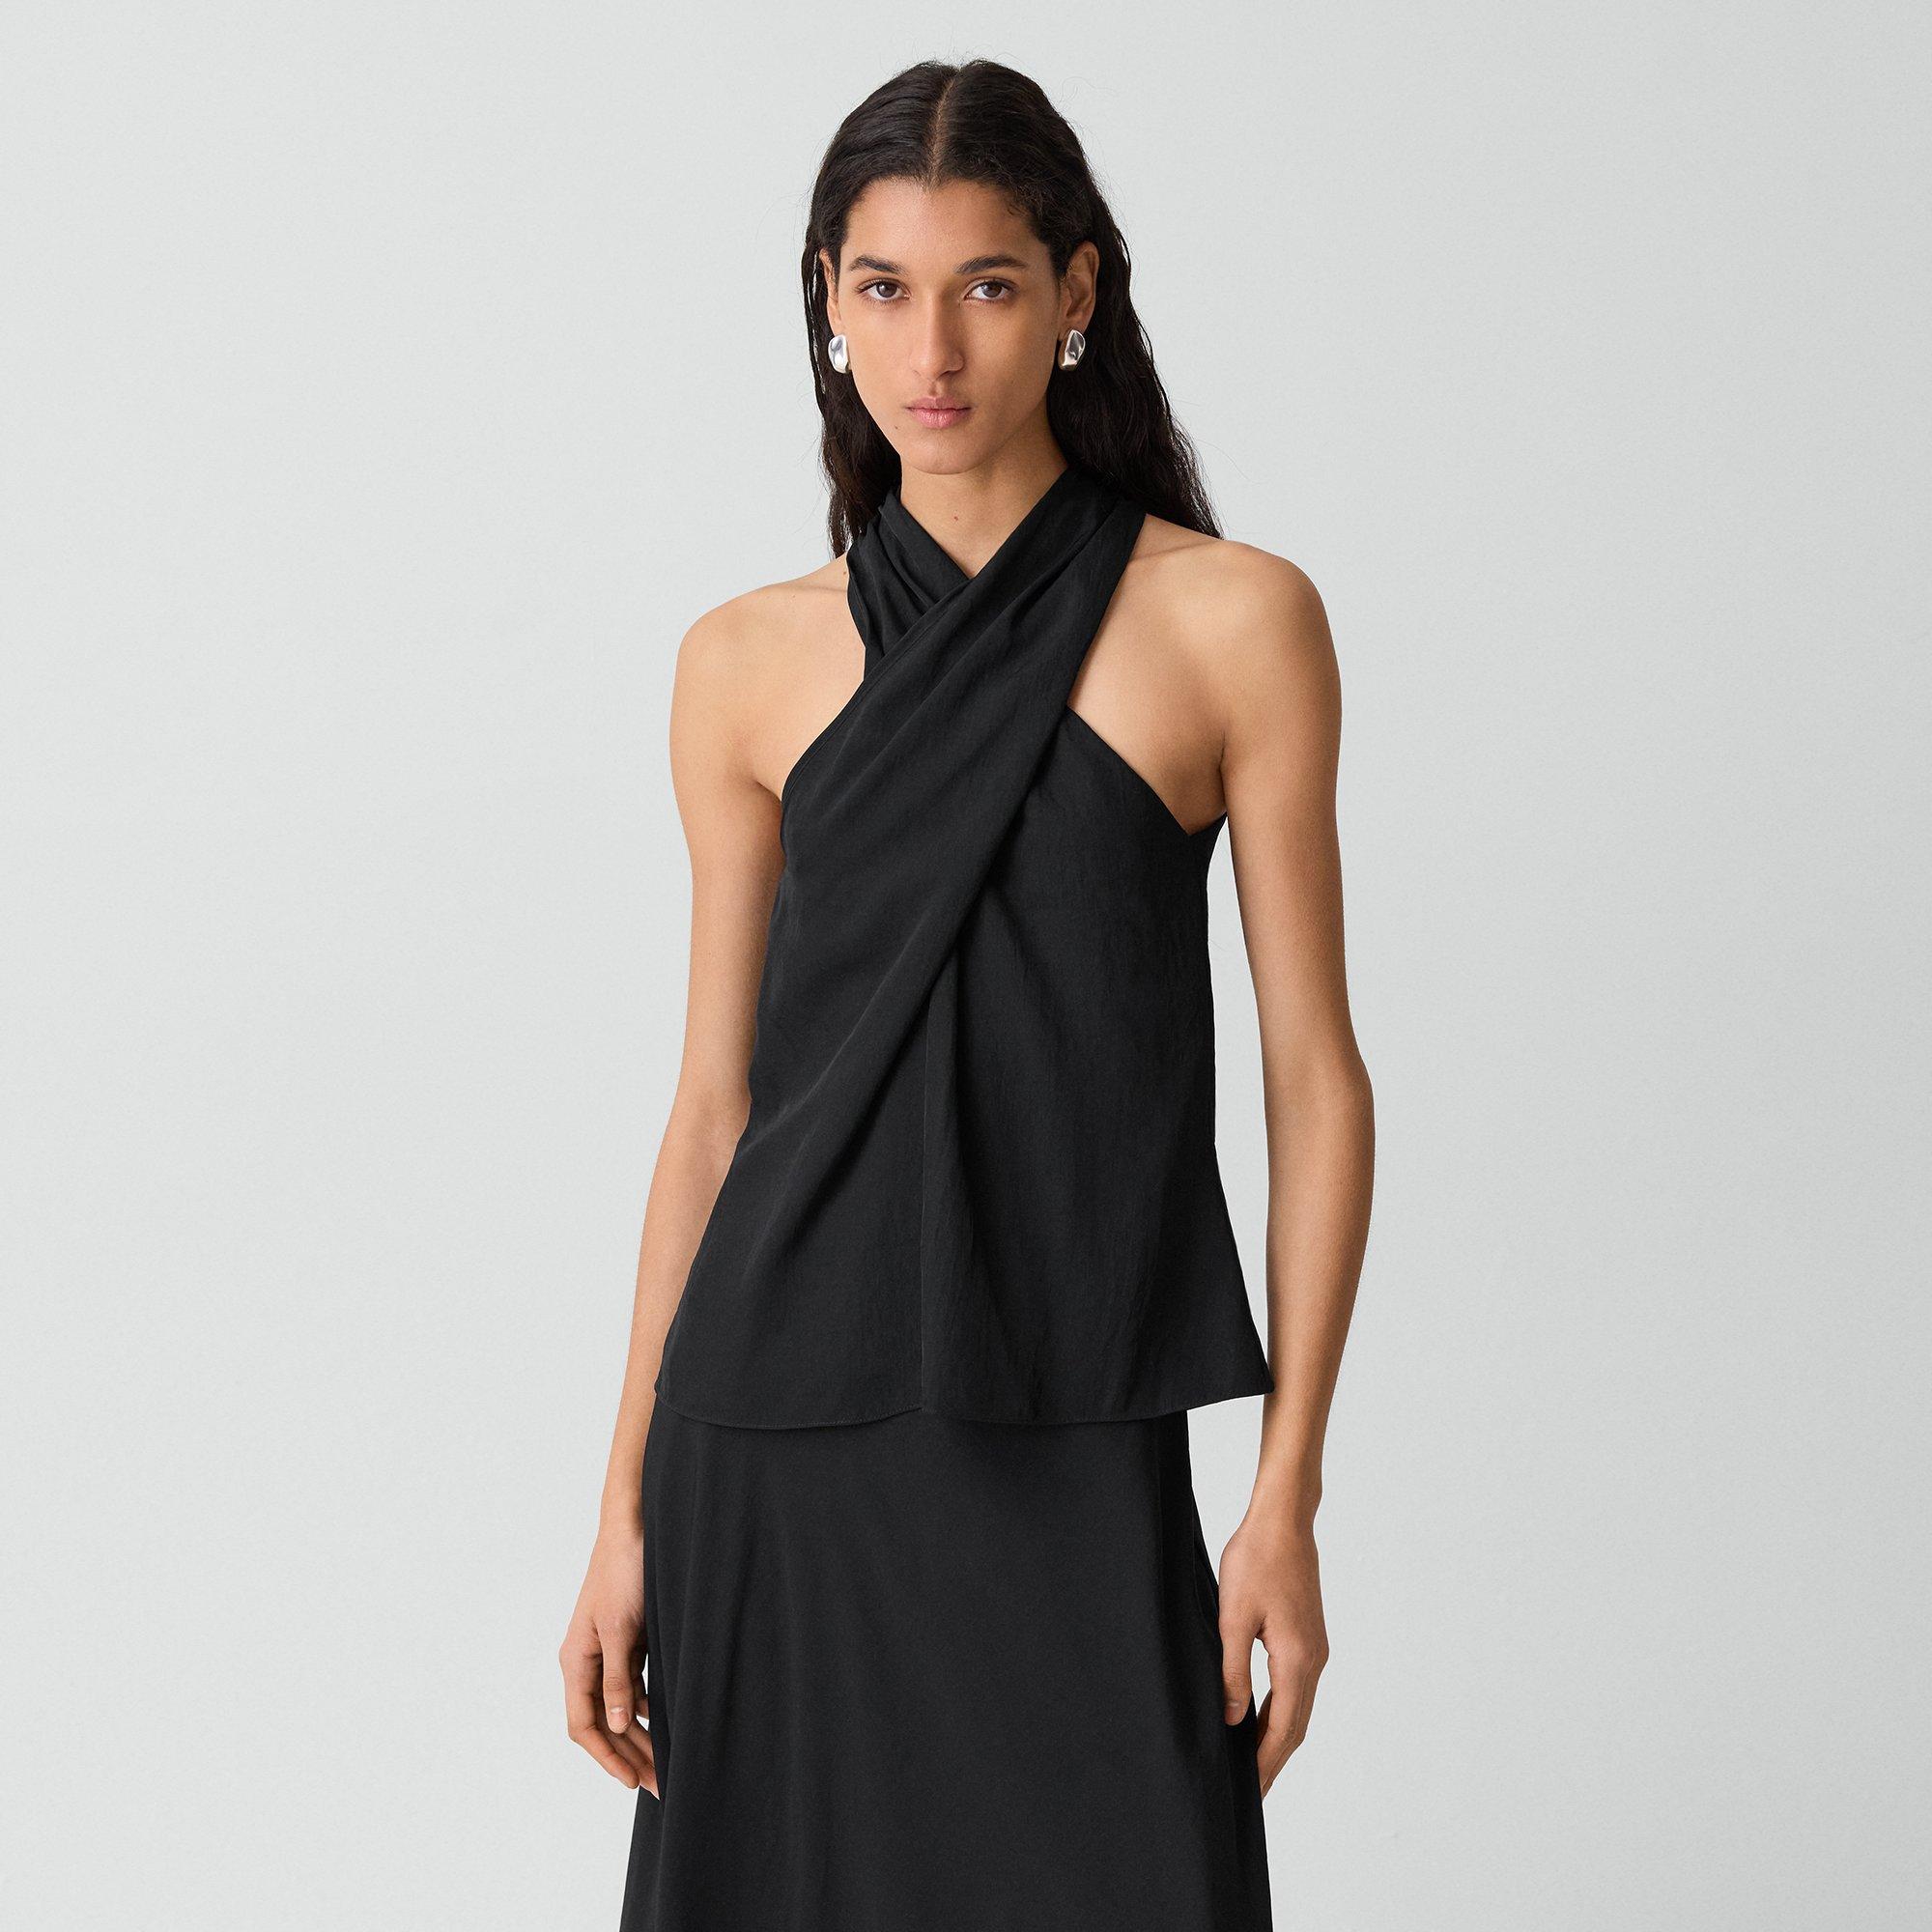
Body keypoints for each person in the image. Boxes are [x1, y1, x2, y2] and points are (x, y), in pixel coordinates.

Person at [561, 56, 1376, 1932]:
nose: (931, 349)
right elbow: (714, 1110)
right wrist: (619, 1509)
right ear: (827, 303)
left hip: (1075, 1418)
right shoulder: (741, 661)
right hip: (771, 1444)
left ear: (1077, 293)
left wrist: (1286, 1497)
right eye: (883, 287)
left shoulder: (1235, 621)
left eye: (989, 285)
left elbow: (1316, 1080)